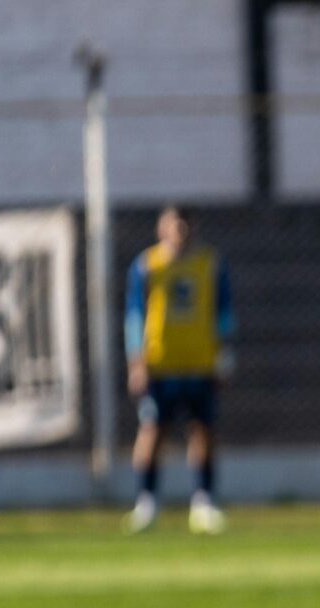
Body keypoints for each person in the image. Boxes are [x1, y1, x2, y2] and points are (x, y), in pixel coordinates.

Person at [124, 206, 233, 534]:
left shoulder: (210, 264)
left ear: (193, 228)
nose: (179, 233)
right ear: (162, 229)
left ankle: (204, 502)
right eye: (174, 226)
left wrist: (224, 355)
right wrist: (136, 359)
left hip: (200, 361)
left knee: (204, 430)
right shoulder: (147, 265)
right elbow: (134, 314)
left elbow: (224, 312)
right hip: (161, 363)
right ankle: (147, 503)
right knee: (153, 431)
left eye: (185, 226)